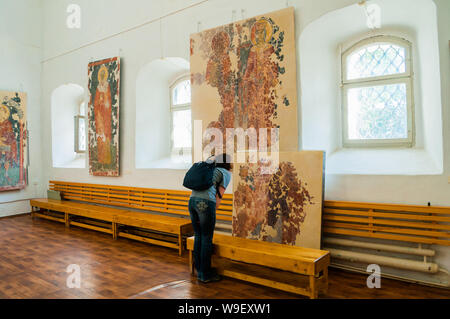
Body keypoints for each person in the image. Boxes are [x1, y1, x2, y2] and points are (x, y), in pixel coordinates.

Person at [188, 154, 232, 283]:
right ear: (228, 163)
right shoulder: (225, 173)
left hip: (192, 202)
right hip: (205, 204)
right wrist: (212, 210)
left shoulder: (209, 169)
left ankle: (200, 269)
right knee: (207, 238)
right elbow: (219, 196)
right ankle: (205, 274)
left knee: (198, 235)